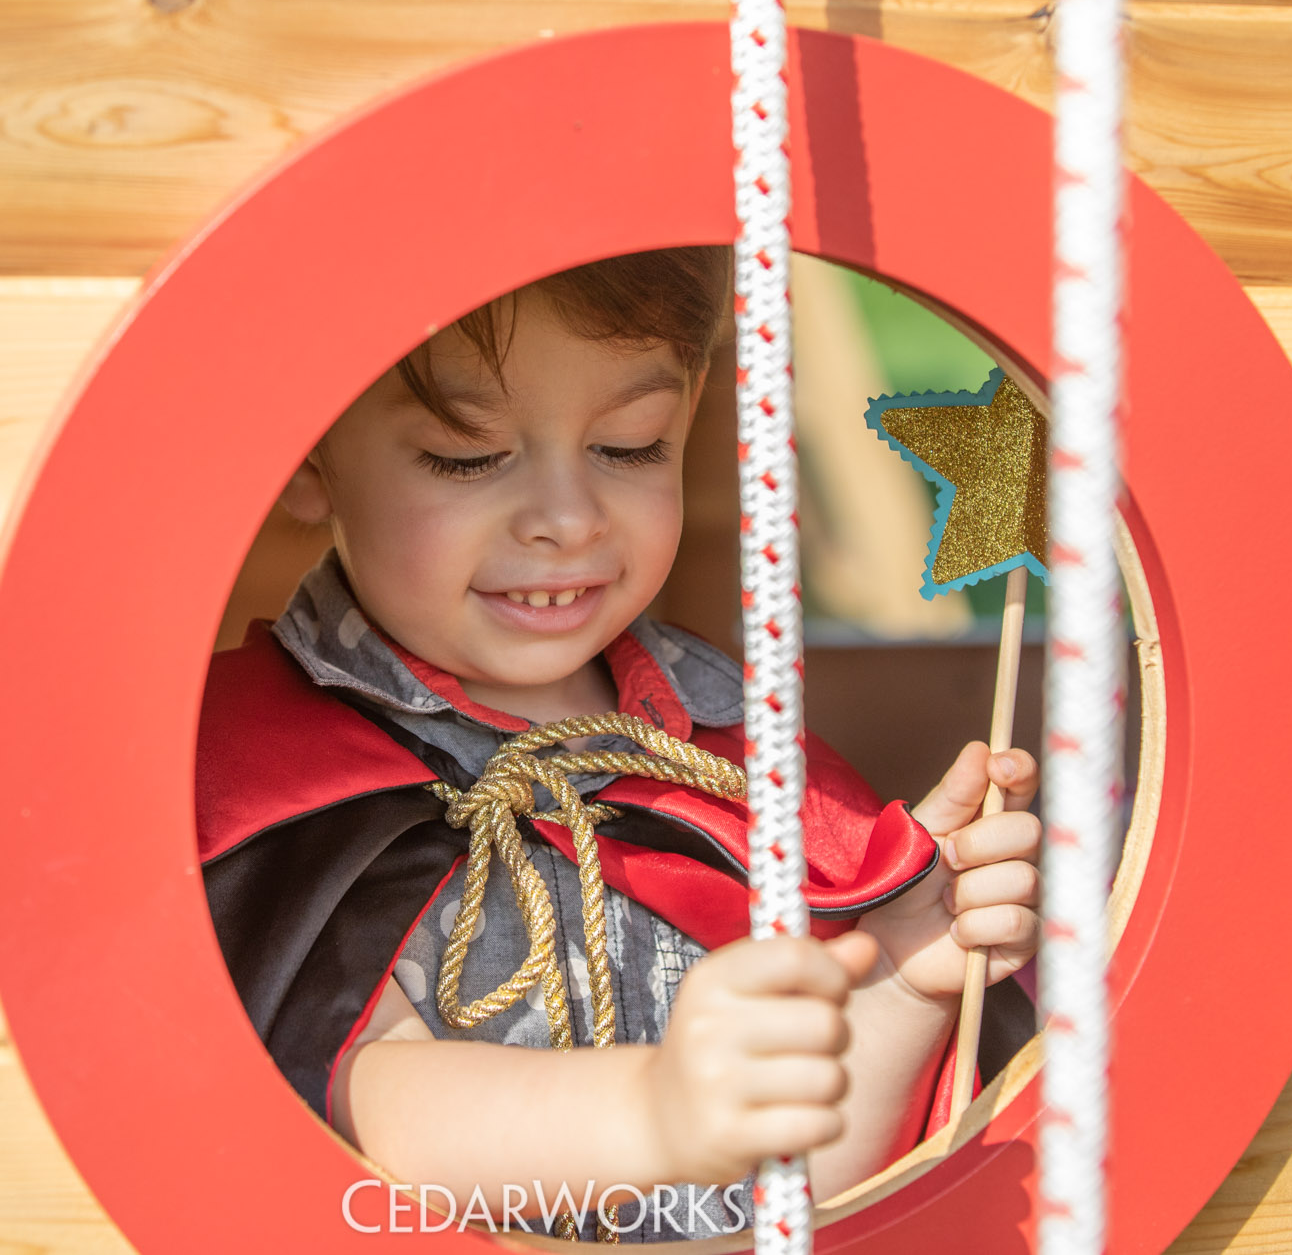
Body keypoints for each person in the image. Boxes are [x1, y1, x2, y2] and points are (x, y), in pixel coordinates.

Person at [195, 247, 1042, 1243]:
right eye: (468, 455)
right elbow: (375, 1120)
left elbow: (801, 1198)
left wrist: (900, 980)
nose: (567, 519)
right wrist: (654, 1109)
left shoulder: (738, 751)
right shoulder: (268, 776)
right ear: (307, 451)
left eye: (630, 446)